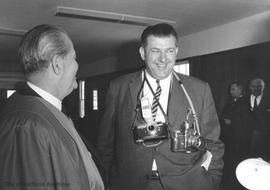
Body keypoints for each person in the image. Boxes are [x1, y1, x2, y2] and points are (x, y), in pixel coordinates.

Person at [96, 23, 224, 190]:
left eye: (169, 51)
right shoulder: (119, 87)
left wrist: (211, 181)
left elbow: (213, 144)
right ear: (143, 53)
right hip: (131, 184)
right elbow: (105, 145)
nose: (163, 59)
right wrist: (107, 182)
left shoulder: (199, 89)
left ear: (176, 52)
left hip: (186, 184)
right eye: (155, 51)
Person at [0, 24, 104, 190]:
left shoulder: (45, 110)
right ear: (57, 64)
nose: (77, 65)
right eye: (74, 57)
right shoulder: (27, 125)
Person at [233, 78, 270, 163]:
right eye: (254, 86)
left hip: (264, 143)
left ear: (264, 87)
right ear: (249, 87)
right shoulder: (241, 101)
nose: (256, 88)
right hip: (245, 143)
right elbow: (237, 123)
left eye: (259, 86)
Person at [220, 82, 244, 186]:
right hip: (228, 135)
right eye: (230, 89)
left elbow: (244, 120)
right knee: (228, 158)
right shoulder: (230, 101)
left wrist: (232, 122)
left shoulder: (245, 102)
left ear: (240, 90)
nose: (231, 91)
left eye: (233, 89)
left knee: (237, 158)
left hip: (239, 136)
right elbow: (224, 114)